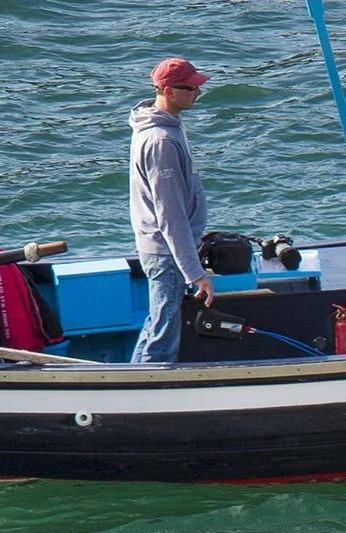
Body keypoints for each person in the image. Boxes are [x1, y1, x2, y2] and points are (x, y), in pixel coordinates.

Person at [128, 56, 215, 366]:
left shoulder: (165, 126)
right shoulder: (161, 141)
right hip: (166, 254)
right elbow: (170, 216)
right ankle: (144, 395)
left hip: (167, 250)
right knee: (163, 337)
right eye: (190, 89)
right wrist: (195, 273)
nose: (197, 94)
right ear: (168, 90)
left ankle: (131, 382)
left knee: (157, 324)